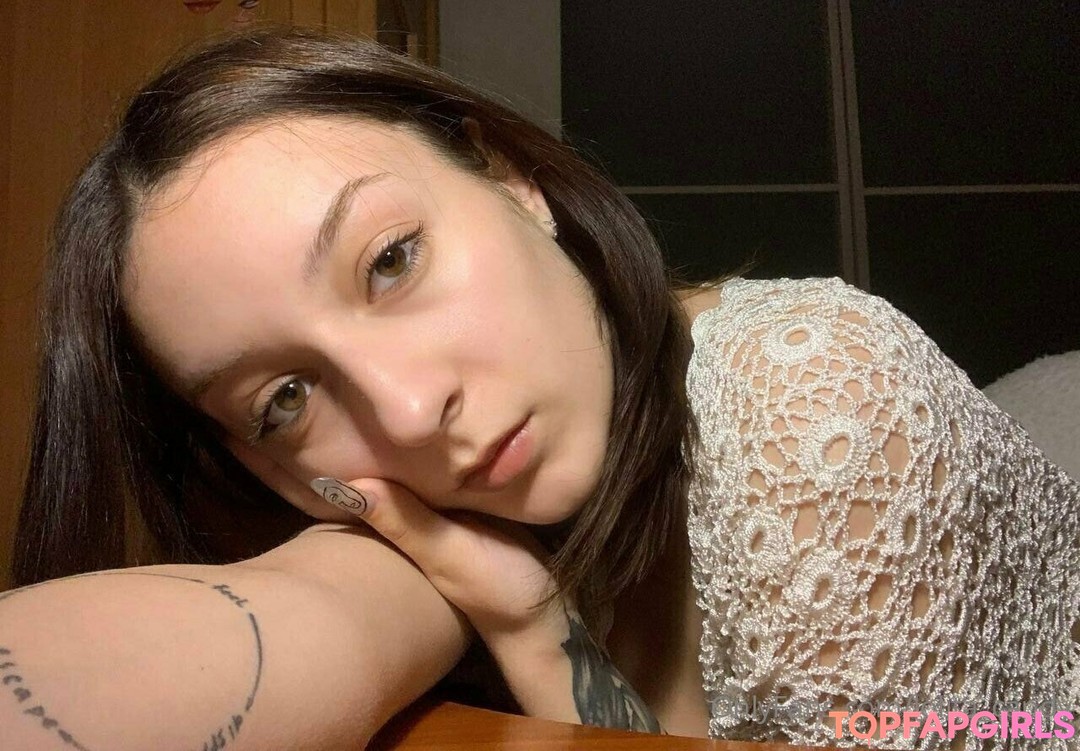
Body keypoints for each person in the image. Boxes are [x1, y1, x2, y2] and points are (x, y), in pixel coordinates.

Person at [4, 27, 1077, 751]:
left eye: (391, 261)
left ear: (512, 181)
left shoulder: (816, 396)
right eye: (285, 397)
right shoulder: (421, 523)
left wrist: (529, 640)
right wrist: (525, 617)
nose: (407, 411)